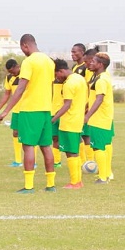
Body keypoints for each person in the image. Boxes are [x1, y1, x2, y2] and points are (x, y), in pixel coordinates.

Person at [0, 34, 57, 194]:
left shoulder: (29, 62)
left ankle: (29, 186)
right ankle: (51, 185)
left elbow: (21, 88)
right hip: (45, 109)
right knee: (46, 147)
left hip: (30, 109)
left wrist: (6, 111)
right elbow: (50, 86)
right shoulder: (49, 62)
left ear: (25, 46)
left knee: (28, 146)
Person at [51, 59, 88, 189]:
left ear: (60, 71)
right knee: (74, 151)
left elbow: (67, 104)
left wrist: (54, 118)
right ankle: (78, 180)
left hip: (69, 121)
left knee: (70, 152)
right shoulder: (79, 78)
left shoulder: (68, 84)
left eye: (56, 74)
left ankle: (75, 182)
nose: (57, 78)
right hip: (77, 120)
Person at [84, 53, 115, 184]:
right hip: (106, 117)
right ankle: (107, 173)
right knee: (106, 145)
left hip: (99, 118)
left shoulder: (101, 80)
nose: (90, 63)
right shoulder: (102, 76)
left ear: (100, 65)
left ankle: (103, 177)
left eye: (93, 62)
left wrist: (87, 116)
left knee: (98, 147)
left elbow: (99, 99)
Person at [0, 59, 23, 167]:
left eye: (13, 71)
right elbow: (7, 95)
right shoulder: (9, 78)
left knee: (28, 135)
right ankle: (18, 160)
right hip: (16, 110)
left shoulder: (25, 75)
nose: (12, 73)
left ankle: (32, 162)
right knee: (15, 133)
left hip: (27, 109)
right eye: (10, 72)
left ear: (17, 66)